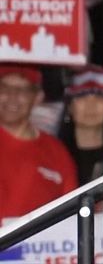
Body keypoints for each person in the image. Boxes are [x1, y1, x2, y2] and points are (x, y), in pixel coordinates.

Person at [0, 64, 77, 220]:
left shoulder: (56, 152)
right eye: (4, 88)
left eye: (22, 90)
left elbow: (71, 214)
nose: (12, 97)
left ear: (38, 98)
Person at [58, 64, 103, 186]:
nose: (91, 105)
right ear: (70, 106)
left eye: (100, 98)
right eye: (82, 97)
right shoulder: (54, 154)